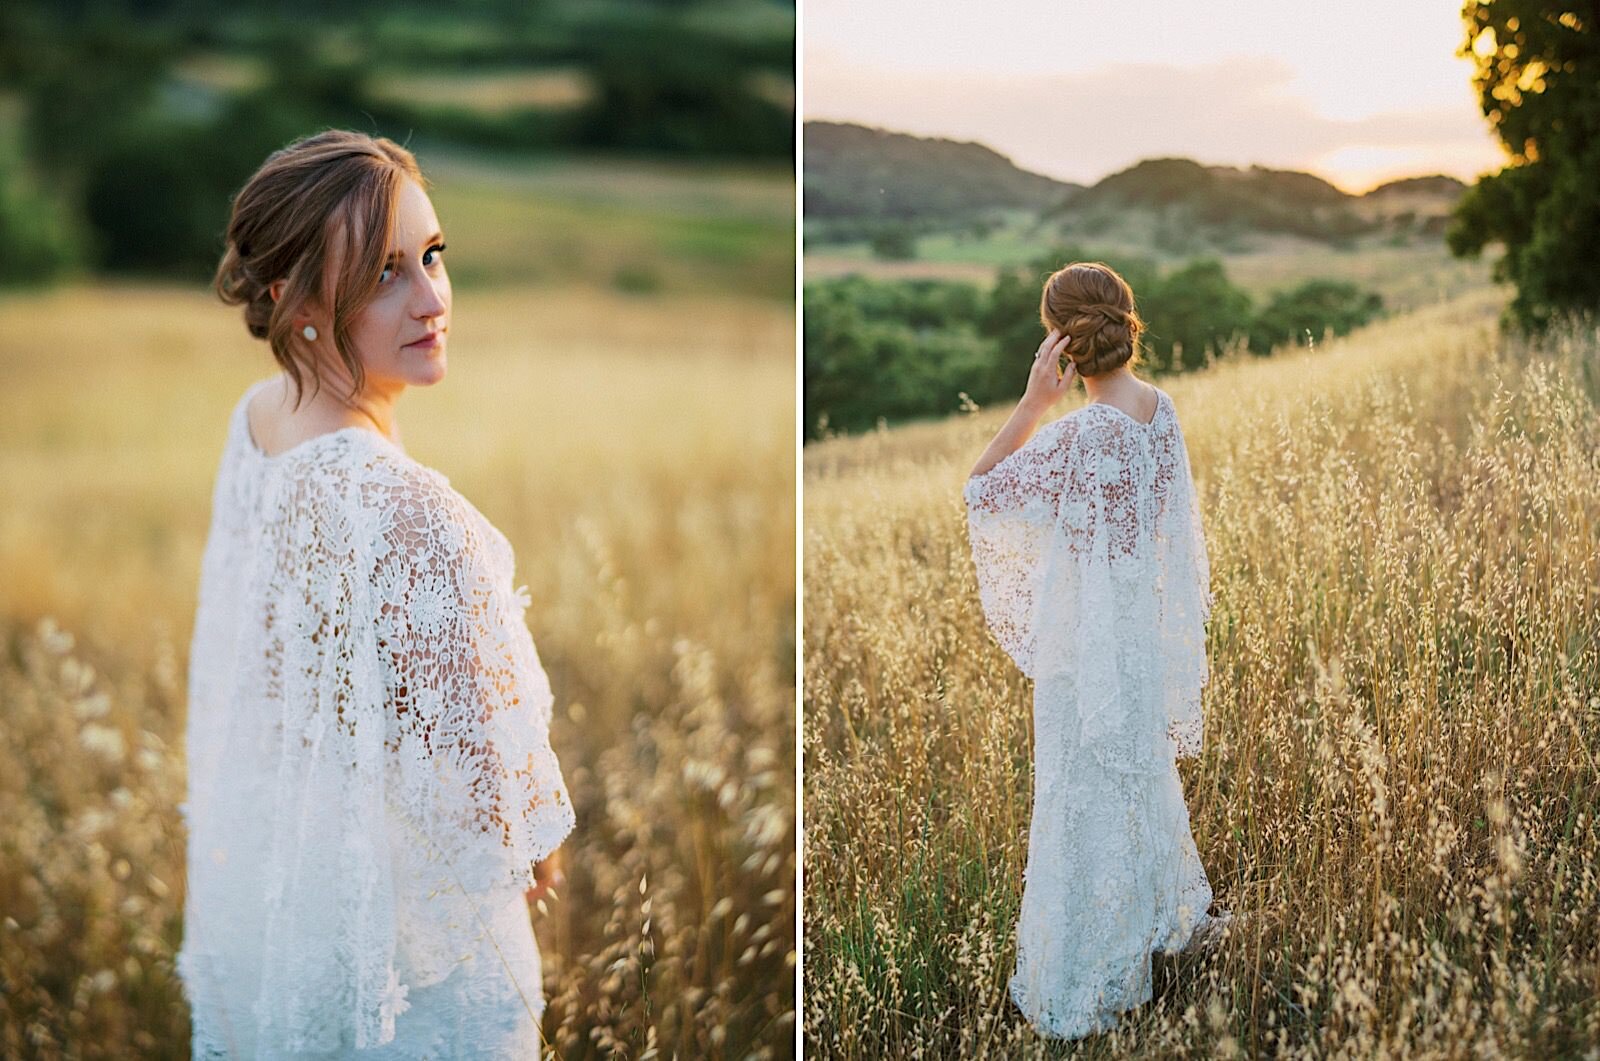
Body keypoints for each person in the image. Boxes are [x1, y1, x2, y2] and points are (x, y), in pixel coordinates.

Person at [177, 129, 576, 1058]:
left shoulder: (258, 422)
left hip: (299, 911)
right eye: (385, 275)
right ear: (294, 301)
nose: (433, 297)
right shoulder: (410, 512)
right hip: (416, 981)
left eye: (433, 256)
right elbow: (503, 823)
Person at [964, 261, 1231, 1040]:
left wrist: (1032, 401)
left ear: (1062, 340)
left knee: (1080, 800)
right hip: (1137, 641)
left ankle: (1093, 971)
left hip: (1087, 653)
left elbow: (981, 491)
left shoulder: (1078, 434)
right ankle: (1149, 930)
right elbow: (1167, 536)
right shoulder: (1161, 411)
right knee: (1134, 787)